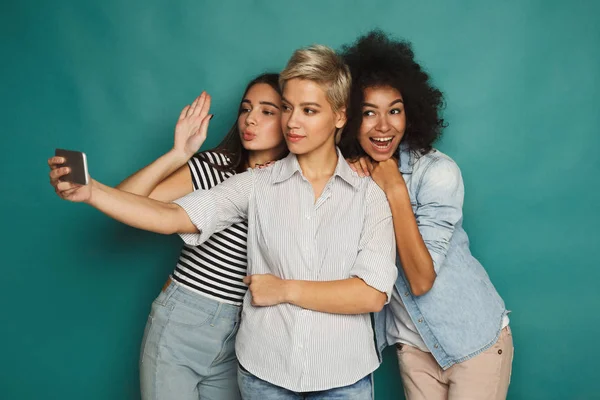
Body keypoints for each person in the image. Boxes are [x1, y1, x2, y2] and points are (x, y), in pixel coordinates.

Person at [50, 44, 397, 399]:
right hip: (263, 371)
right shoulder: (255, 183)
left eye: (308, 110)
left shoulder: (368, 195)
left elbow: (371, 294)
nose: (292, 121)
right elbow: (172, 216)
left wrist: (285, 289)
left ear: (340, 116)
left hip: (343, 374)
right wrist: (92, 191)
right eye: (288, 108)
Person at [48, 73, 287, 400]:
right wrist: (178, 153)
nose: (251, 119)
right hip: (185, 316)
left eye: (267, 111)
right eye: (246, 109)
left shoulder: (293, 184)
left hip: (245, 333)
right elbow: (127, 200)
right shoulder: (215, 167)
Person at [340, 30, 513, 400]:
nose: (384, 126)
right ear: (350, 117)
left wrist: (396, 189)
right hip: (414, 347)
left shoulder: (437, 172)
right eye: (369, 112)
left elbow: (420, 280)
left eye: (395, 111)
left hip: (472, 341)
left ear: (412, 113)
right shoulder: (351, 174)